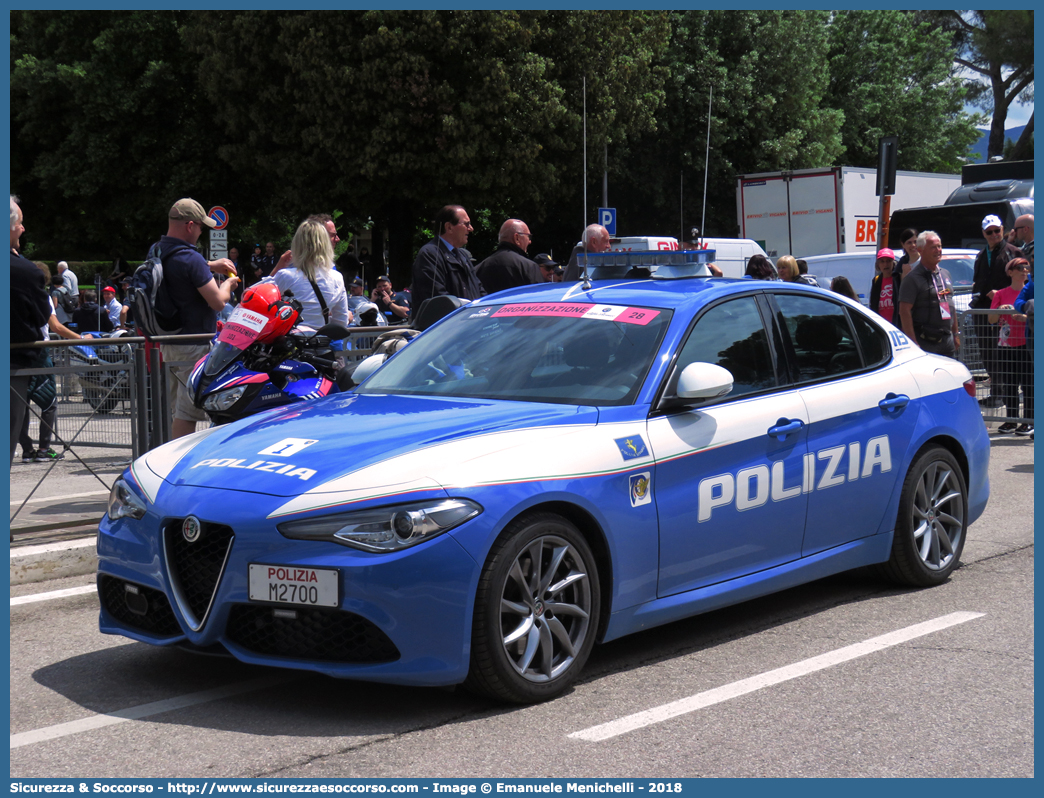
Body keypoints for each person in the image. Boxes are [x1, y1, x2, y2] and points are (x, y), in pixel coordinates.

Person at [158, 198, 239, 439]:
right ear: (189, 225)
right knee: (188, 411)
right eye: (201, 227)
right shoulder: (191, 258)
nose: (202, 231)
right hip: (193, 344)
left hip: (168, 340)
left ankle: (171, 458)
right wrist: (229, 285)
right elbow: (217, 301)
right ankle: (179, 464)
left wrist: (210, 265)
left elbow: (181, 268)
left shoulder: (158, 250)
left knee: (177, 408)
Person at [10, 196, 55, 462]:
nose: (23, 229)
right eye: (20, 224)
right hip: (13, 367)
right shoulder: (25, 272)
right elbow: (41, 317)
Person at [263, 218, 350, 330]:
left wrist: (277, 268)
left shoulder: (286, 276)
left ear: (297, 245)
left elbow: (249, 296)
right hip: (320, 344)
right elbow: (341, 323)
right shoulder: (337, 278)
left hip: (291, 344)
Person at [971, 214, 1022, 408]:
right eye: (989, 232)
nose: (994, 235)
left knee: (1003, 353)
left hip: (1006, 313)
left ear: (1003, 230)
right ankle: (995, 392)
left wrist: (1001, 295)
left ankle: (1004, 395)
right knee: (987, 352)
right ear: (984, 233)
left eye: (997, 231)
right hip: (984, 311)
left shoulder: (1013, 252)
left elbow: (1022, 281)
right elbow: (978, 282)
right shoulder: (981, 255)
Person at [988, 257, 1032, 435]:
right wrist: (1000, 310)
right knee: (1010, 383)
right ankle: (1011, 420)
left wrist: (1026, 318)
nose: (1024, 271)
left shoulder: (1031, 291)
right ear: (1010, 272)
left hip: (1027, 343)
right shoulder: (1000, 293)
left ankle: (1028, 420)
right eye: (1020, 267)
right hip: (1006, 345)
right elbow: (991, 320)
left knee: (1028, 384)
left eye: (1027, 267)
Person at [898, 231, 960, 358]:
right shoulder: (912, 278)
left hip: (947, 340)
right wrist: (913, 342)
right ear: (920, 250)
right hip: (925, 341)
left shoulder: (945, 274)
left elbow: (950, 305)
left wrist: (955, 334)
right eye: (933, 247)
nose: (938, 250)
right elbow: (904, 311)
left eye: (939, 246)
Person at [411, 204, 484, 312]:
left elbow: (479, 290)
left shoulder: (463, 256)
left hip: (467, 324)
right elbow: (439, 300)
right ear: (449, 227)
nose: (471, 229)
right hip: (446, 327)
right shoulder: (430, 255)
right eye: (466, 224)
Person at [476, 219, 543, 295]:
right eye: (528, 237)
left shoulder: (479, 268)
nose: (530, 241)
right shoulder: (529, 267)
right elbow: (539, 300)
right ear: (517, 238)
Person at [869, 248, 902, 329]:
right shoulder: (876, 281)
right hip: (882, 327)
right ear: (878, 265)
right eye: (882, 261)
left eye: (888, 261)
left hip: (898, 325)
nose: (885, 264)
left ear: (893, 263)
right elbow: (873, 304)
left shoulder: (899, 278)